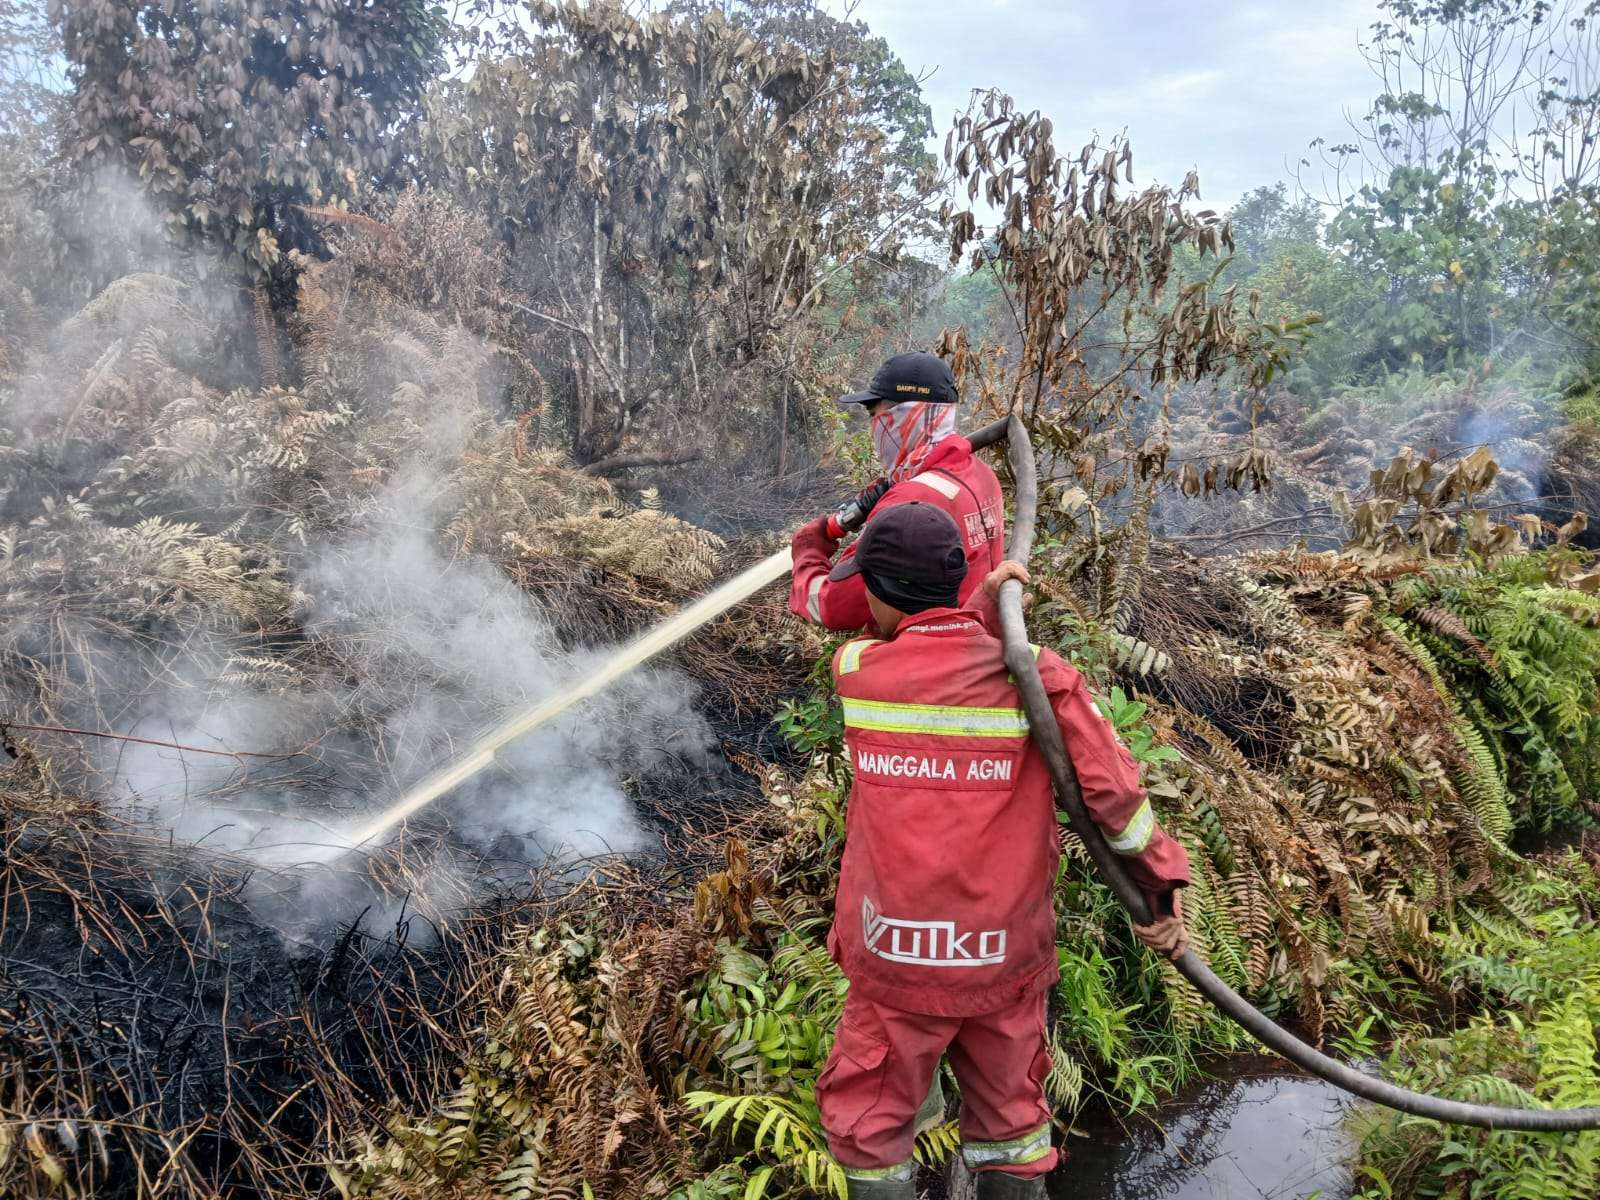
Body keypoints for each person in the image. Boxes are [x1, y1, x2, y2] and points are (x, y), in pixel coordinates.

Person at [814, 503, 1191, 1199]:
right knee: (1013, 1126)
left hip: (893, 957)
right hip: (999, 956)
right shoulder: (1039, 677)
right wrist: (1161, 894)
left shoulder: (858, 670)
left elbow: (903, 646)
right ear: (959, 579)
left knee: (871, 1128)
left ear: (877, 589)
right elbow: (1116, 800)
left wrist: (969, 611)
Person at [789, 351, 1005, 633]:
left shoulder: (910, 502)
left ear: (902, 416)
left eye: (874, 415)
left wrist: (808, 552)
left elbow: (834, 606)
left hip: (920, 661)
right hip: (975, 646)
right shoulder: (979, 473)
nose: (873, 428)